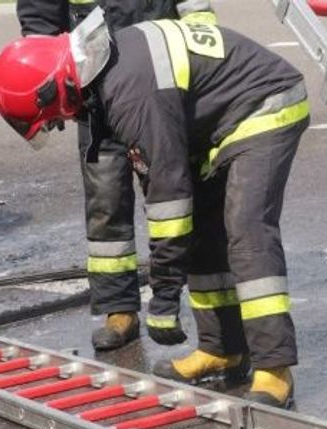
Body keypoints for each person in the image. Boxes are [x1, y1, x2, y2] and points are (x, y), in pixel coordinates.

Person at [0, 8, 308, 408]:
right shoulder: (106, 79)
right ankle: (222, 347)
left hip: (263, 105)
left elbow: (168, 203)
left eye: (52, 117)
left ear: (54, 88)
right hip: (216, 121)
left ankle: (275, 369)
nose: (61, 121)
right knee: (204, 234)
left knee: (247, 231)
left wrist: (163, 302)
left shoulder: (128, 91)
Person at [15, 0, 214, 351]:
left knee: (175, 197)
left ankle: (206, 306)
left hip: (158, 71)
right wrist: (45, 75)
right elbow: (39, 12)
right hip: (90, 86)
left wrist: (200, 43)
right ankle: (117, 309)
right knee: (106, 203)